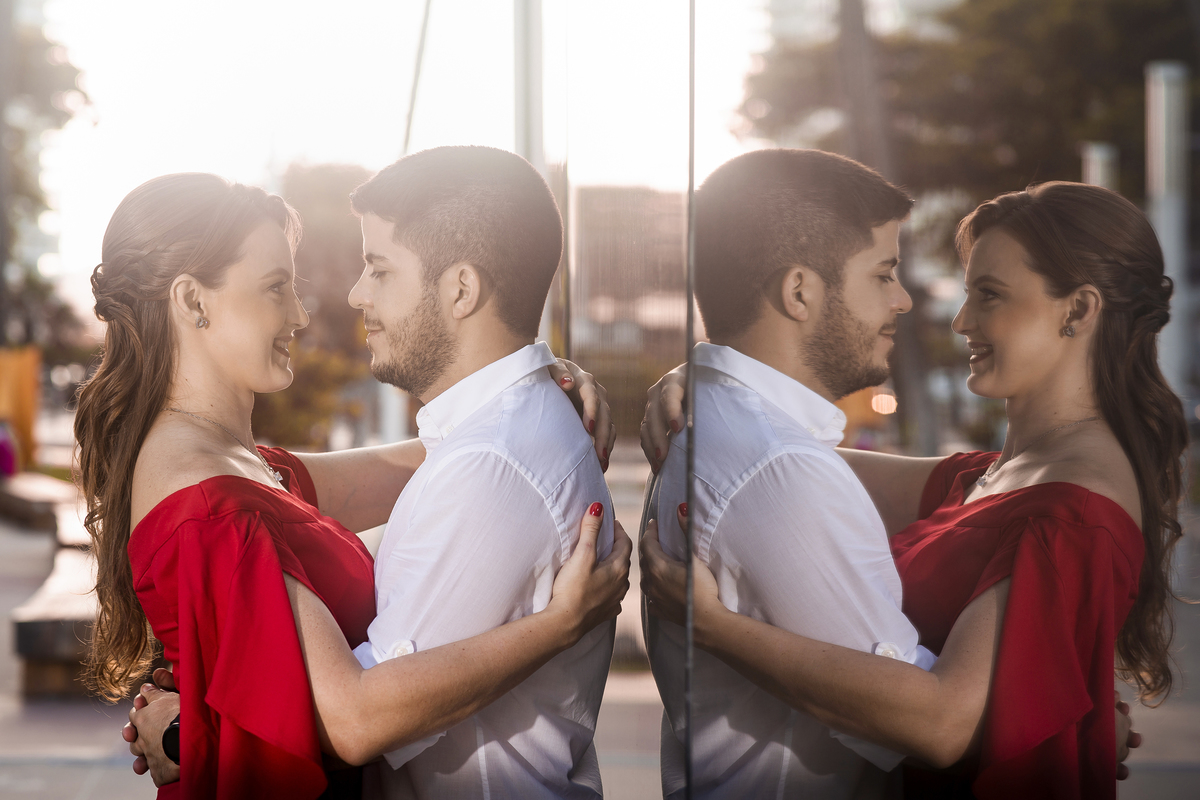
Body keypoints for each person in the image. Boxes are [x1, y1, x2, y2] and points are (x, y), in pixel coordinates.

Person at [75, 170, 631, 799]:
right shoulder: (209, 500)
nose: (301, 313)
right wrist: (557, 625)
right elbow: (352, 719)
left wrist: (529, 380)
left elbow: (436, 458)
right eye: (275, 288)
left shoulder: (246, 470)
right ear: (194, 301)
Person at [640, 177, 1170, 798]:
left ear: (1077, 311)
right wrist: (704, 374)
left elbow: (947, 725)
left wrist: (718, 627)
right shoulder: (985, 479)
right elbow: (775, 454)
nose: (961, 319)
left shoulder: (1070, 510)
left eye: (991, 295)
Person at [639, 149, 935, 799]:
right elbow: (916, 720)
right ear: (800, 291)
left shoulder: (716, 430)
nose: (903, 299)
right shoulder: (782, 470)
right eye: (882, 274)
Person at [341, 145, 618, 798]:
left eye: (379, 269)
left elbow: (366, 719)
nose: (357, 294)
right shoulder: (491, 438)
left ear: (460, 288)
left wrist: (194, 728)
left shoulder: (489, 467)